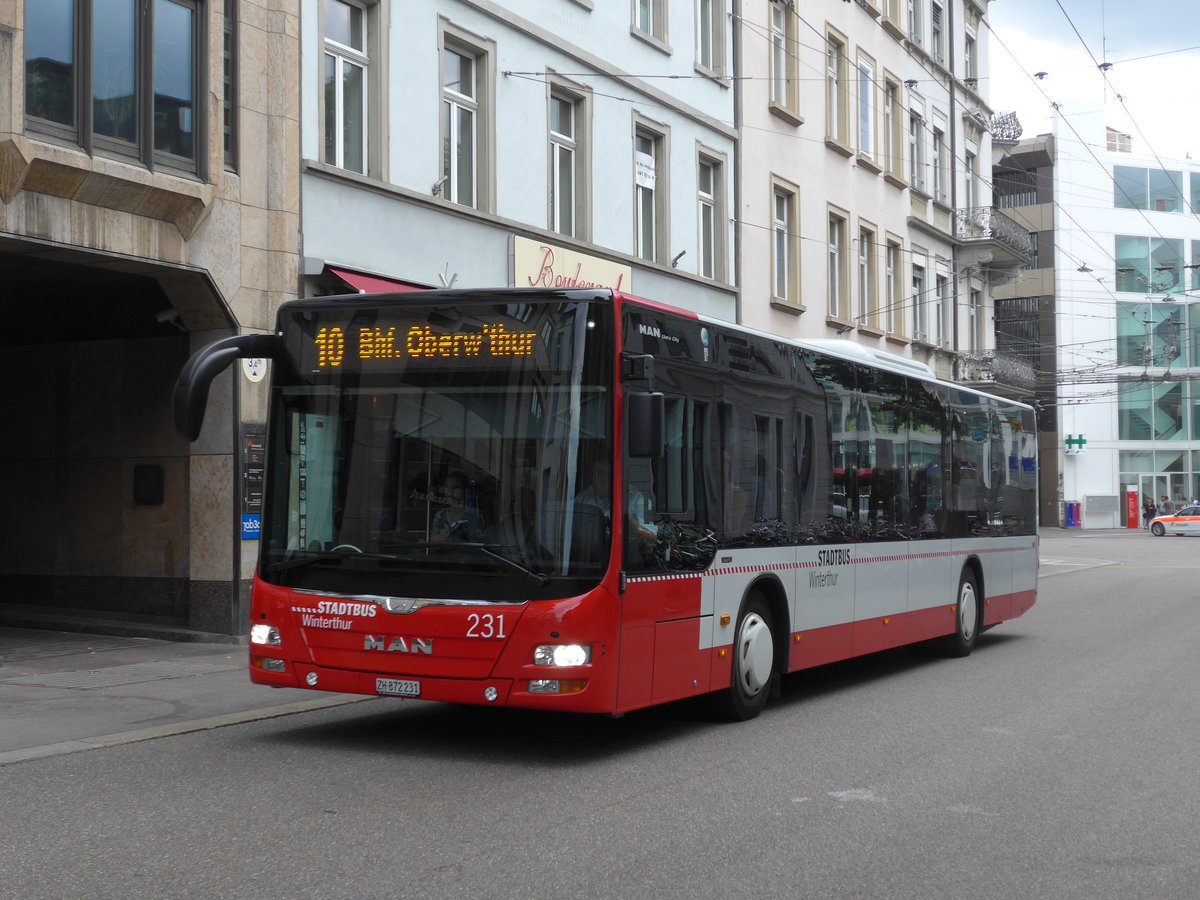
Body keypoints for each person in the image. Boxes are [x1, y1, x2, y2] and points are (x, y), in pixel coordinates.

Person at [432, 471, 480, 541]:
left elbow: (476, 541)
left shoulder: (474, 514)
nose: (450, 492)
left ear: (464, 490)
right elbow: (433, 539)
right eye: (447, 488)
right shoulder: (440, 516)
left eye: (455, 488)